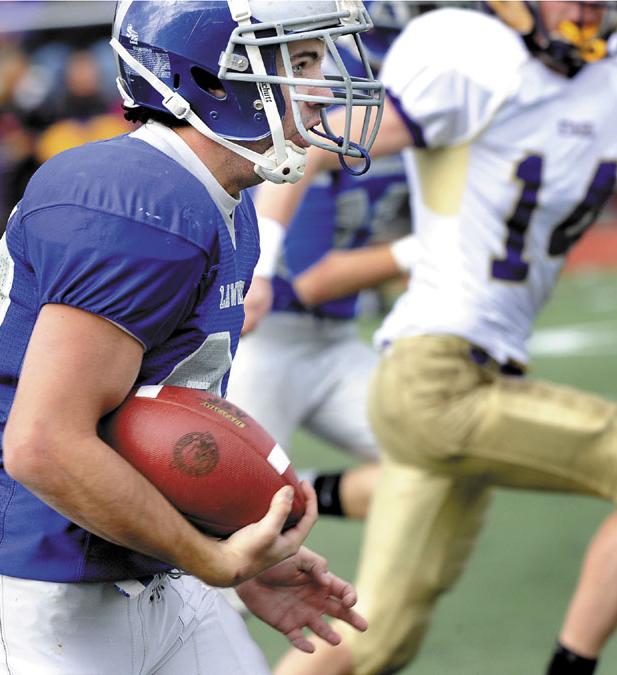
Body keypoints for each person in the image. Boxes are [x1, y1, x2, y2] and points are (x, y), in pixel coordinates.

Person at [0, 1, 386, 673]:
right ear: (214, 80)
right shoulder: (143, 200)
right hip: (49, 604)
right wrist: (213, 559)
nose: (323, 88)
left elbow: (156, 425)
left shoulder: (222, 201)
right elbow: (44, 445)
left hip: (160, 584)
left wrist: (239, 551)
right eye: (300, 63)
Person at [268, 2, 617, 674]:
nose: (591, 10)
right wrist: (261, 266)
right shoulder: (473, 59)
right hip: (437, 380)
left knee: (376, 639)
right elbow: (314, 142)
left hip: (466, 384)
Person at [229, 0, 417, 521]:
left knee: (441, 458)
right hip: (266, 340)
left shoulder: (422, 109)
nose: (325, 89)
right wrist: (422, 252)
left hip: (337, 342)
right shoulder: (329, 109)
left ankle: (298, 495)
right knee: (230, 514)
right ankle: (269, 501)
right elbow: (312, 279)